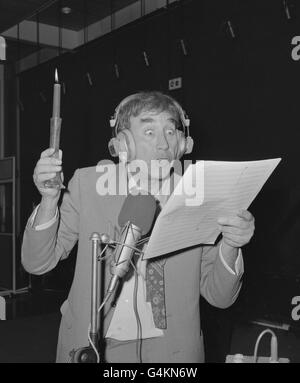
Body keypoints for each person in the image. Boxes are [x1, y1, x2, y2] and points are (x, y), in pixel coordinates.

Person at [21, 91, 255, 363]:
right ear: (123, 144)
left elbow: (220, 296)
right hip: (93, 346)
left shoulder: (197, 195)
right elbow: (37, 263)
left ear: (183, 143)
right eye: (149, 132)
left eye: (170, 131)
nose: (163, 145)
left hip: (172, 354)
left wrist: (231, 244)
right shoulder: (87, 185)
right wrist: (49, 201)